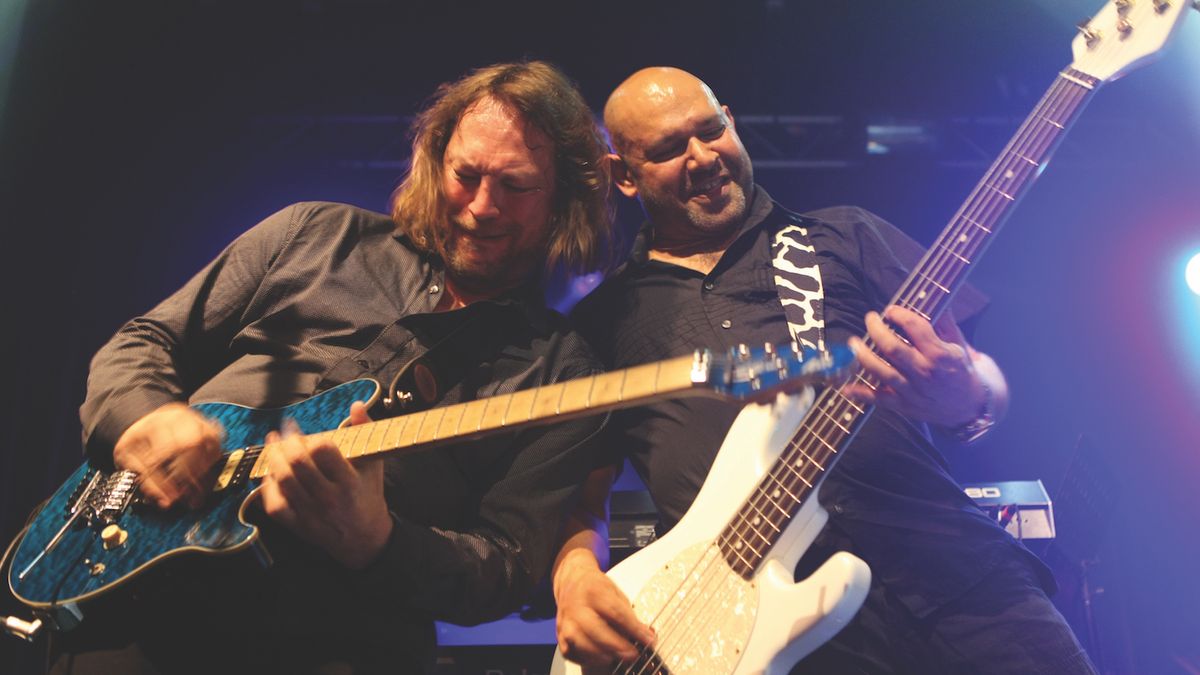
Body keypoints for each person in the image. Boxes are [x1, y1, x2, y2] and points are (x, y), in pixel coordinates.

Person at [53, 61, 612, 674]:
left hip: (340, 639)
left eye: (516, 185)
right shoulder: (312, 235)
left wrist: (379, 539)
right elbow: (145, 341)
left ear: (562, 196)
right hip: (137, 602)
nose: (482, 206)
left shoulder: (563, 371)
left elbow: (505, 567)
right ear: (436, 160)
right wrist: (149, 419)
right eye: (467, 174)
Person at [552, 67, 1097, 674]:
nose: (703, 156)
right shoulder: (602, 322)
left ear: (732, 121)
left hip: (962, 587)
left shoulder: (843, 235)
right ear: (623, 175)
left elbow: (982, 378)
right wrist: (574, 576)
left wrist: (964, 393)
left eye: (711, 130)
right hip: (754, 635)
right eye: (670, 148)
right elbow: (581, 495)